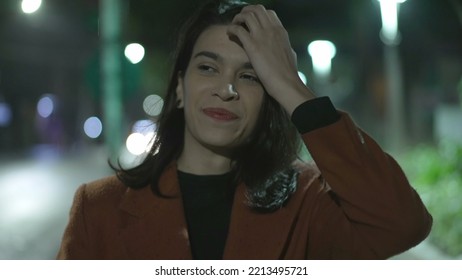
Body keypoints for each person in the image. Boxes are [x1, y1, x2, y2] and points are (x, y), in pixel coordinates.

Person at [57, 0, 432, 260]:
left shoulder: (307, 202)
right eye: (207, 68)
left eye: (250, 76)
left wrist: (292, 87)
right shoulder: (99, 208)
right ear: (179, 88)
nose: (226, 89)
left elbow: (403, 224)